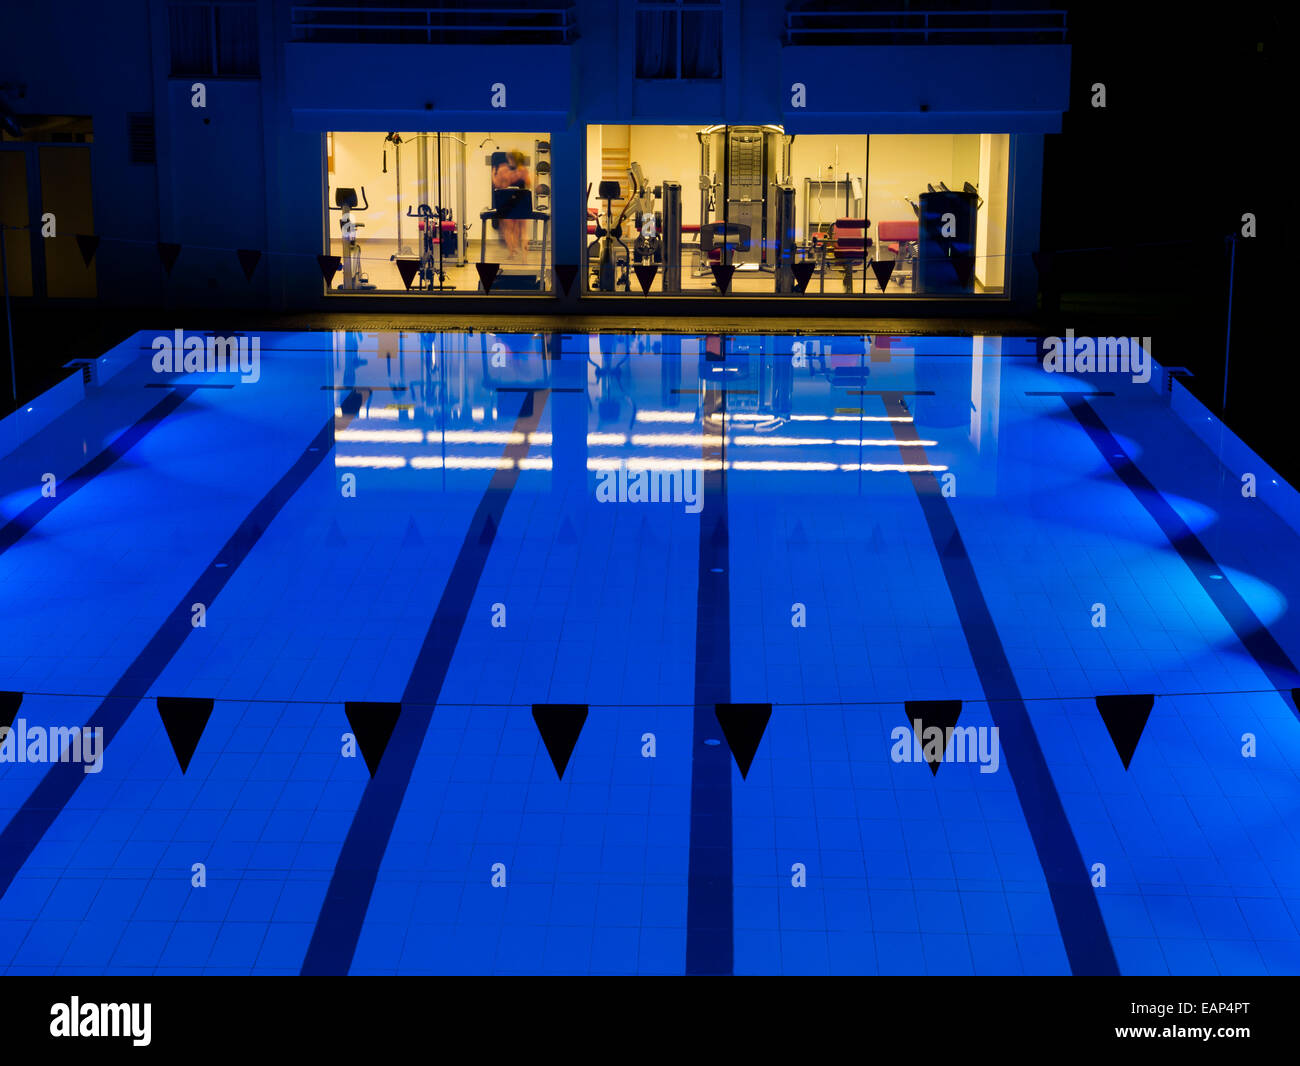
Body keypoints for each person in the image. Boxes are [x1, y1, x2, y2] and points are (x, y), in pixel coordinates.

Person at [490, 150, 531, 260]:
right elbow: (529, 183)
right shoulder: (523, 170)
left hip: (508, 202)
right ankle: (524, 256)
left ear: (511, 159)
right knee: (522, 230)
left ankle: (512, 252)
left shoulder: (504, 169)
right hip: (521, 202)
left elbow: (498, 184)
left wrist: (493, 174)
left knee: (508, 229)